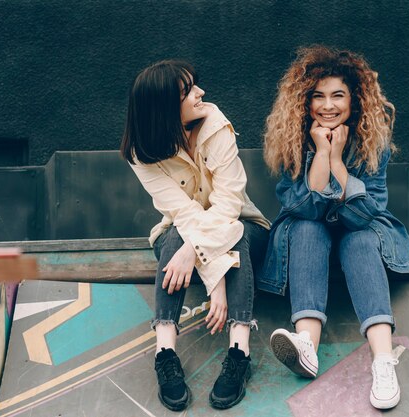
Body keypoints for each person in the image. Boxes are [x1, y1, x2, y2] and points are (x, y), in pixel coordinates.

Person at [258, 45, 409, 410]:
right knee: (305, 229)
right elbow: (305, 207)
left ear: (354, 101)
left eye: (338, 96)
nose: (327, 105)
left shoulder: (371, 141)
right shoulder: (293, 140)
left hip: (359, 233)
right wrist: (319, 152)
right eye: (318, 96)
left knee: (360, 238)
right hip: (308, 237)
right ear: (305, 102)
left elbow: (366, 213)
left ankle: (382, 361)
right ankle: (306, 347)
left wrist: (337, 160)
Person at [120, 60, 270, 411]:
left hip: (246, 227)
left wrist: (195, 253)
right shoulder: (141, 152)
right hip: (181, 235)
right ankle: (165, 352)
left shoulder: (216, 126)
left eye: (195, 85)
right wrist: (214, 280)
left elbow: (230, 207)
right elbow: (184, 215)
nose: (201, 93)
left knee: (237, 235)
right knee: (174, 239)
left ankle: (239, 351)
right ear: (165, 107)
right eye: (188, 91)